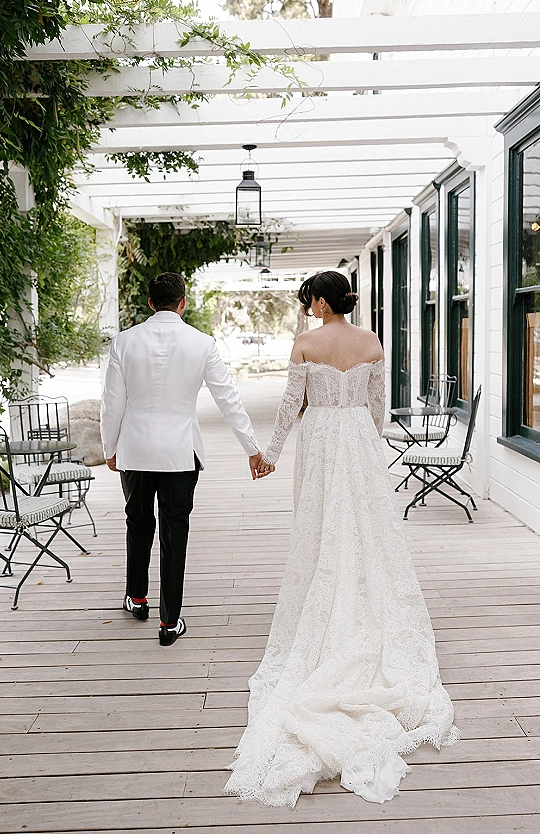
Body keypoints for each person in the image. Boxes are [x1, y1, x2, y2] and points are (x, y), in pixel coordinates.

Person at [225, 270, 459, 806]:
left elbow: (291, 407)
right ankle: (359, 598)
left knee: (319, 524)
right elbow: (377, 408)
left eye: (309, 300)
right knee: (365, 527)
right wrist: (367, 444)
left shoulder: (306, 344)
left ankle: (323, 602)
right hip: (356, 437)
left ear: (324, 301)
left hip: (323, 437)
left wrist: (272, 455)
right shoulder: (371, 342)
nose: (306, 308)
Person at [101, 272, 263, 646]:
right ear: (183, 302)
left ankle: (137, 600)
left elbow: (113, 403)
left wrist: (110, 448)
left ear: (150, 303)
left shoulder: (124, 342)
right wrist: (252, 448)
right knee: (175, 533)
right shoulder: (202, 343)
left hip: (136, 451)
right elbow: (228, 398)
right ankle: (169, 622)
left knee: (138, 524)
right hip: (180, 453)